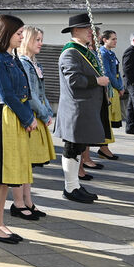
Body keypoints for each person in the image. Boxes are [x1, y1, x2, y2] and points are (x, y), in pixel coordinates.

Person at [0, 14, 33, 243]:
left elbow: (24, 92)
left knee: (5, 177)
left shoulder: (12, 58)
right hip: (3, 116)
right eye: (18, 33)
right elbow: (6, 94)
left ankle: (0, 223)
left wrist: (28, 116)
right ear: (6, 33)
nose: (22, 37)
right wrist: (28, 118)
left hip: (14, 117)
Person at [55, 13, 110, 204]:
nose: (91, 32)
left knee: (78, 148)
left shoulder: (84, 51)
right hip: (75, 109)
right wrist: (97, 81)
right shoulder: (70, 52)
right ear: (76, 30)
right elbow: (74, 80)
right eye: (87, 28)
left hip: (84, 109)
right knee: (72, 148)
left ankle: (74, 184)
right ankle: (70, 187)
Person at [16, 26, 53, 220]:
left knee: (28, 163)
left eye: (41, 39)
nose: (41, 43)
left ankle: (28, 200)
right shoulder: (23, 62)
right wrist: (45, 114)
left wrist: (48, 111)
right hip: (29, 116)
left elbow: (41, 92)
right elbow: (30, 94)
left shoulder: (34, 63)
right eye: (37, 39)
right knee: (23, 162)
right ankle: (20, 202)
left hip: (37, 115)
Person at [96, 30, 123, 161]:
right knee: (105, 118)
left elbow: (117, 72)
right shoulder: (103, 53)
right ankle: (103, 148)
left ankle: (104, 147)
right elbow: (107, 73)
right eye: (113, 39)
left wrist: (121, 86)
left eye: (116, 39)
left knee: (109, 119)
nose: (115, 41)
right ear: (104, 40)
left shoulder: (111, 53)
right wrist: (118, 86)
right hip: (109, 89)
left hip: (115, 87)